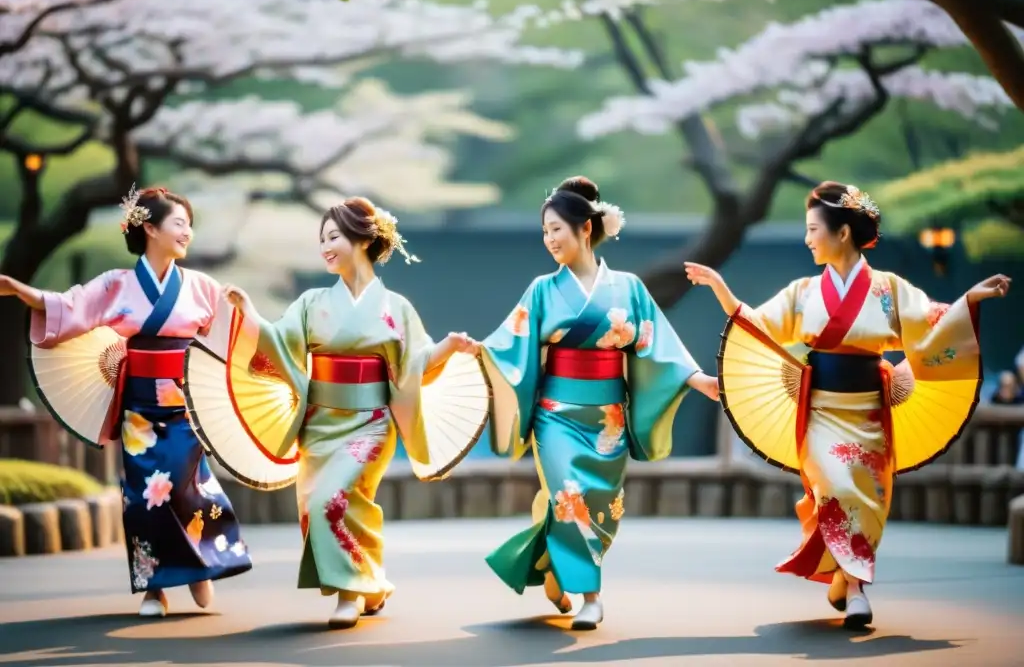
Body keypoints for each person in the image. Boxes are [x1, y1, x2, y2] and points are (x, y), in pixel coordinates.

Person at [685, 180, 1011, 629]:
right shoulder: (803, 292)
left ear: (842, 232)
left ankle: (844, 577)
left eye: (813, 228)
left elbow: (933, 325)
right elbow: (759, 327)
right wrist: (721, 288)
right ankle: (857, 588)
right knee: (836, 485)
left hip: (870, 414)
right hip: (820, 414)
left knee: (868, 500)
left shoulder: (889, 289)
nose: (807, 238)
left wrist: (970, 299)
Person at [220, 197, 480, 629]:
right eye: (321, 238)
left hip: (370, 423)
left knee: (332, 499)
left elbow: (414, 365)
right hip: (319, 423)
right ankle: (371, 583)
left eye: (334, 236)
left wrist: (450, 346)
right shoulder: (310, 303)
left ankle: (349, 593)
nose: (325, 246)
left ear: (363, 239)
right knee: (315, 506)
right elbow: (278, 344)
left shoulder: (396, 307)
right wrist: (248, 313)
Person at [480, 176, 720, 631]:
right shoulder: (541, 290)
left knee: (599, 503)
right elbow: (510, 347)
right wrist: (478, 353)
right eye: (545, 231)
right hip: (556, 416)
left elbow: (659, 348)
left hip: (607, 417)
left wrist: (698, 379)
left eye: (557, 229)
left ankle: (552, 563)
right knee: (570, 494)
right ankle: (590, 595)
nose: (549, 239)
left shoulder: (628, 288)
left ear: (585, 230)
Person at [0, 186, 252, 617]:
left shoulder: (201, 287)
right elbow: (71, 306)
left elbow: (232, 337)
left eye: (189, 224)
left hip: (185, 406)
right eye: (179, 223)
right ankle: (156, 587)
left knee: (188, 486)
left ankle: (198, 567)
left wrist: (248, 317)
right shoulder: (117, 285)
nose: (187, 232)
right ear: (150, 229)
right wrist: (26, 292)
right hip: (140, 409)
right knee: (144, 496)